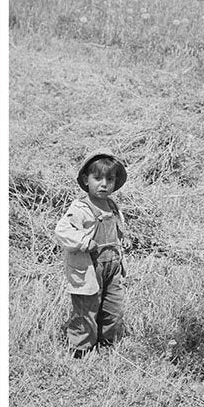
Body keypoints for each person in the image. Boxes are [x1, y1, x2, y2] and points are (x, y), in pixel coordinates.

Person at [54, 152, 129, 357]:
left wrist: (122, 239)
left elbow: (116, 228)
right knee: (86, 309)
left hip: (112, 267)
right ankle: (81, 349)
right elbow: (62, 231)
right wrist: (84, 241)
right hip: (89, 267)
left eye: (109, 179)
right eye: (97, 178)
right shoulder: (80, 208)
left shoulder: (112, 206)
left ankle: (107, 343)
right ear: (86, 180)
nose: (104, 184)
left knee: (113, 307)